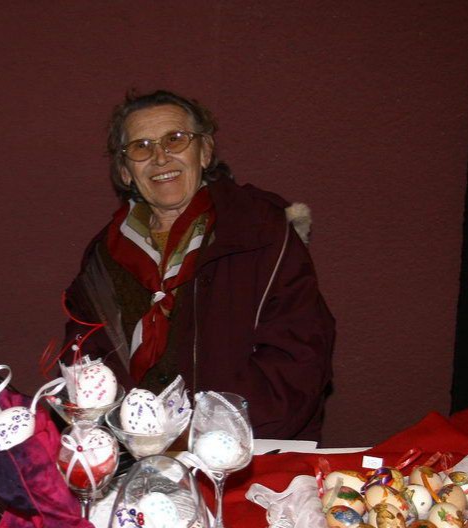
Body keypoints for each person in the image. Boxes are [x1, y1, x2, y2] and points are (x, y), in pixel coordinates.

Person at [61, 90, 334, 440]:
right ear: (125, 171)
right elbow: (83, 361)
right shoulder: (103, 256)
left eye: (175, 139)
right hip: (132, 451)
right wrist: (120, 435)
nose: (160, 157)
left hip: (241, 449)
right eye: (141, 147)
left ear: (204, 152)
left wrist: (211, 436)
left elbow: (299, 357)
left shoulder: (260, 230)